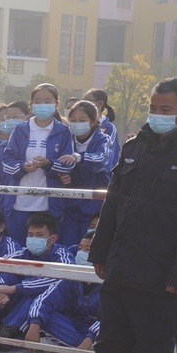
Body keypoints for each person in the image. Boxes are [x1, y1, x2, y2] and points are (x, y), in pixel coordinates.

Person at [85, 77, 177, 353]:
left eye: (165, 110)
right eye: (153, 108)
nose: (157, 115)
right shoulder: (134, 147)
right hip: (122, 261)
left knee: (153, 344)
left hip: (161, 271)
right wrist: (100, 252)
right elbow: (113, 205)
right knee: (111, 339)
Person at [0, 212, 72, 340]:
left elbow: (57, 283)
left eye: (39, 235)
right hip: (13, 300)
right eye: (30, 235)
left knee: (35, 292)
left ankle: (11, 329)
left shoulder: (62, 255)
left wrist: (15, 288)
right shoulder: (24, 252)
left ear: (53, 238)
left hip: (53, 304)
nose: (33, 239)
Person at [0, 83, 75, 243]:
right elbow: (6, 162)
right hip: (19, 204)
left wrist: (48, 164)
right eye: (38, 101)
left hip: (49, 206)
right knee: (18, 250)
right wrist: (22, 166)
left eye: (48, 101)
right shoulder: (20, 130)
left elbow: (68, 165)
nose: (43, 105)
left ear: (56, 104)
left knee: (44, 251)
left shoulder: (63, 131)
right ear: (31, 104)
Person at [53, 100, 112, 246]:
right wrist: (64, 177)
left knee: (89, 248)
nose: (76, 123)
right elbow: (58, 161)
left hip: (94, 207)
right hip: (71, 205)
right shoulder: (67, 138)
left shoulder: (103, 139)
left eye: (82, 120)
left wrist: (78, 157)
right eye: (73, 120)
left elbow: (101, 159)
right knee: (67, 244)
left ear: (93, 122)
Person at [82, 88, 121, 170]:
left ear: (100, 104)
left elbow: (108, 156)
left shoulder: (109, 128)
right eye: (82, 101)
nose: (83, 104)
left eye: (87, 101)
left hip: (101, 178)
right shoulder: (80, 125)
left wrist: (79, 157)